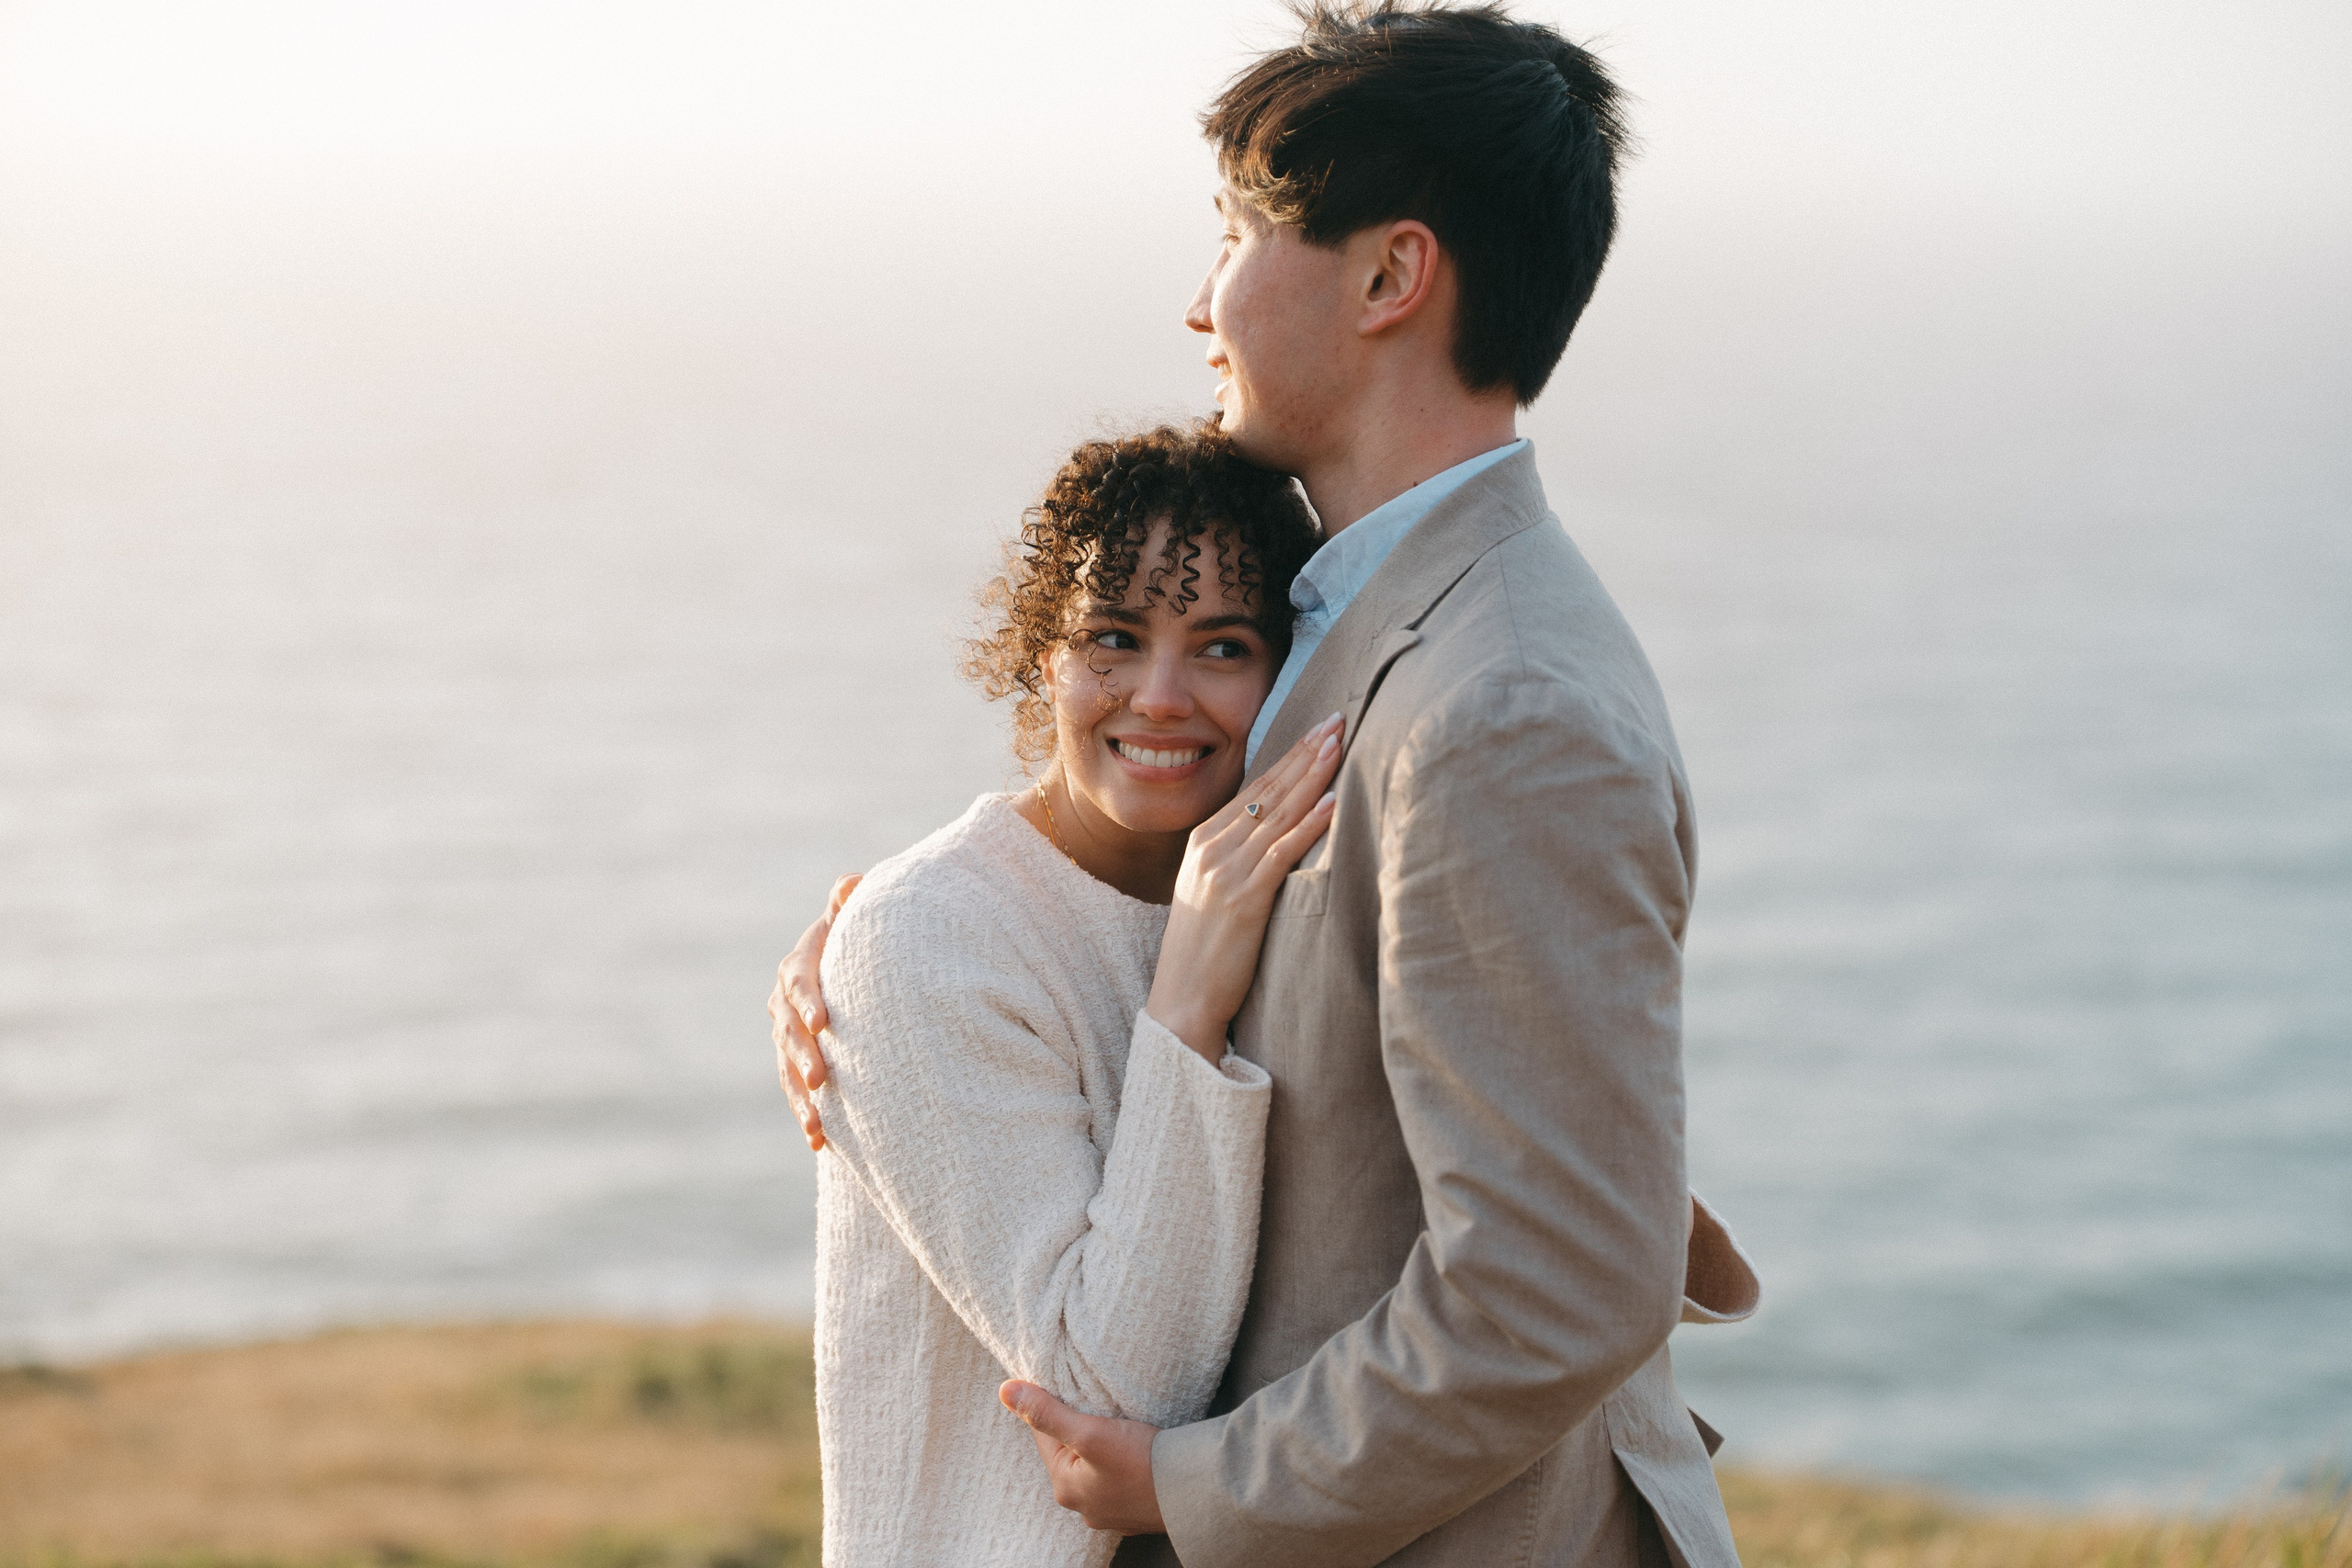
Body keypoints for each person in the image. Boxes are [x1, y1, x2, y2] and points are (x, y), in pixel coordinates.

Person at [774, 5, 1762, 1563]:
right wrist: (905, 945)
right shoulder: (1355, 618)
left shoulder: (1505, 701)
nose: (1199, 300)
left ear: (1389, 275)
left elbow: (1559, 1275)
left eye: (1235, 232)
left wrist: (1197, 1487)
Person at [807, 423, 1340, 1567]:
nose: (1157, 697)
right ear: (1041, 654)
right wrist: (1187, 1005)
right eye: (1112, 638)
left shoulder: (1296, 900)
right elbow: (1114, 1388)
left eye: (1223, 646)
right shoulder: (930, 939)